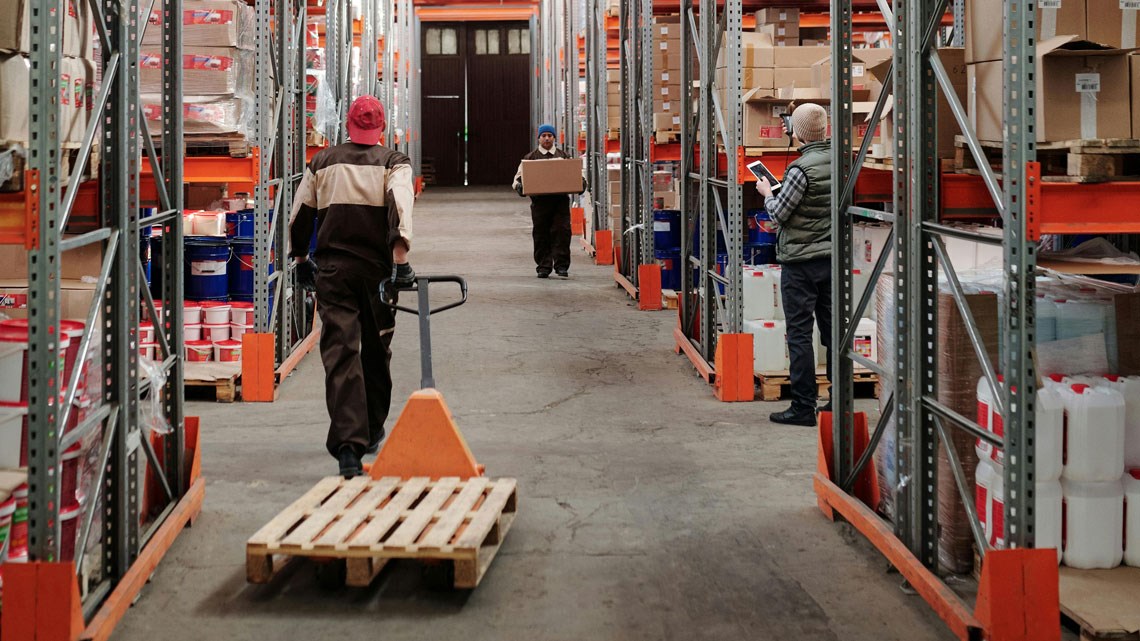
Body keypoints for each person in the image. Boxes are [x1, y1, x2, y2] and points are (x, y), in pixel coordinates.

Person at [288, 95, 416, 478]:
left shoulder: (322, 162)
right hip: (378, 274)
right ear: (382, 127)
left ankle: (348, 445)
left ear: (348, 125)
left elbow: (301, 214)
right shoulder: (395, 163)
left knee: (341, 352)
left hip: (333, 272)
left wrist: (299, 259)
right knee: (376, 350)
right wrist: (402, 261)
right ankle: (372, 430)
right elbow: (400, 208)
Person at [755, 103, 832, 426]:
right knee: (833, 332)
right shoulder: (837, 160)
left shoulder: (801, 170)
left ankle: (803, 406)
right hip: (831, 258)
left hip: (800, 263)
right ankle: (837, 401)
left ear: (796, 132)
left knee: (800, 334)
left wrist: (767, 193)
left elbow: (778, 214)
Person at [513, 124, 577, 279]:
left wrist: (581, 183)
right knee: (541, 234)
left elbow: (576, 175)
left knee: (562, 232)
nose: (547, 138)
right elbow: (516, 180)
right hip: (540, 204)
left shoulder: (564, 157)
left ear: (554, 137)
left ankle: (561, 266)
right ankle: (543, 267)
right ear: (539, 138)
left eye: (550, 135)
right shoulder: (530, 158)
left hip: (559, 203)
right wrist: (520, 187)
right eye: (544, 135)